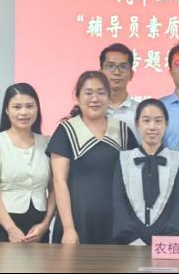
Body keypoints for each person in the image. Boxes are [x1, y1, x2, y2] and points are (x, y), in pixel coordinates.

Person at [47, 71, 138, 244]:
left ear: (109, 97)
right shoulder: (66, 130)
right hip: (77, 223)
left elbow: (133, 180)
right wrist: (69, 228)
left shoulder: (122, 131)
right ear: (78, 97)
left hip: (115, 224)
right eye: (88, 93)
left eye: (101, 93)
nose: (95, 99)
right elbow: (59, 182)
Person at [0, 83, 55, 243]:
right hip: (3, 226)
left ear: (37, 109)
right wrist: (11, 229)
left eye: (29, 106)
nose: (24, 112)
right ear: (7, 110)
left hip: (38, 227)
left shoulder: (48, 143)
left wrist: (45, 224)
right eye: (17, 107)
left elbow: (54, 187)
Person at [113, 99, 179, 245]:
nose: (152, 127)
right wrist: (132, 240)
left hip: (168, 247)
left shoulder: (178, 160)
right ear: (137, 124)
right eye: (146, 121)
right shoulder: (124, 160)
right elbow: (118, 203)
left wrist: (163, 244)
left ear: (166, 124)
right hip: (129, 246)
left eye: (158, 121)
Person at [100, 43, 141, 143]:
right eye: (110, 66)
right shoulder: (92, 110)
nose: (116, 72)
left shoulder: (141, 113)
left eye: (123, 67)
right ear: (100, 73)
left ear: (131, 74)